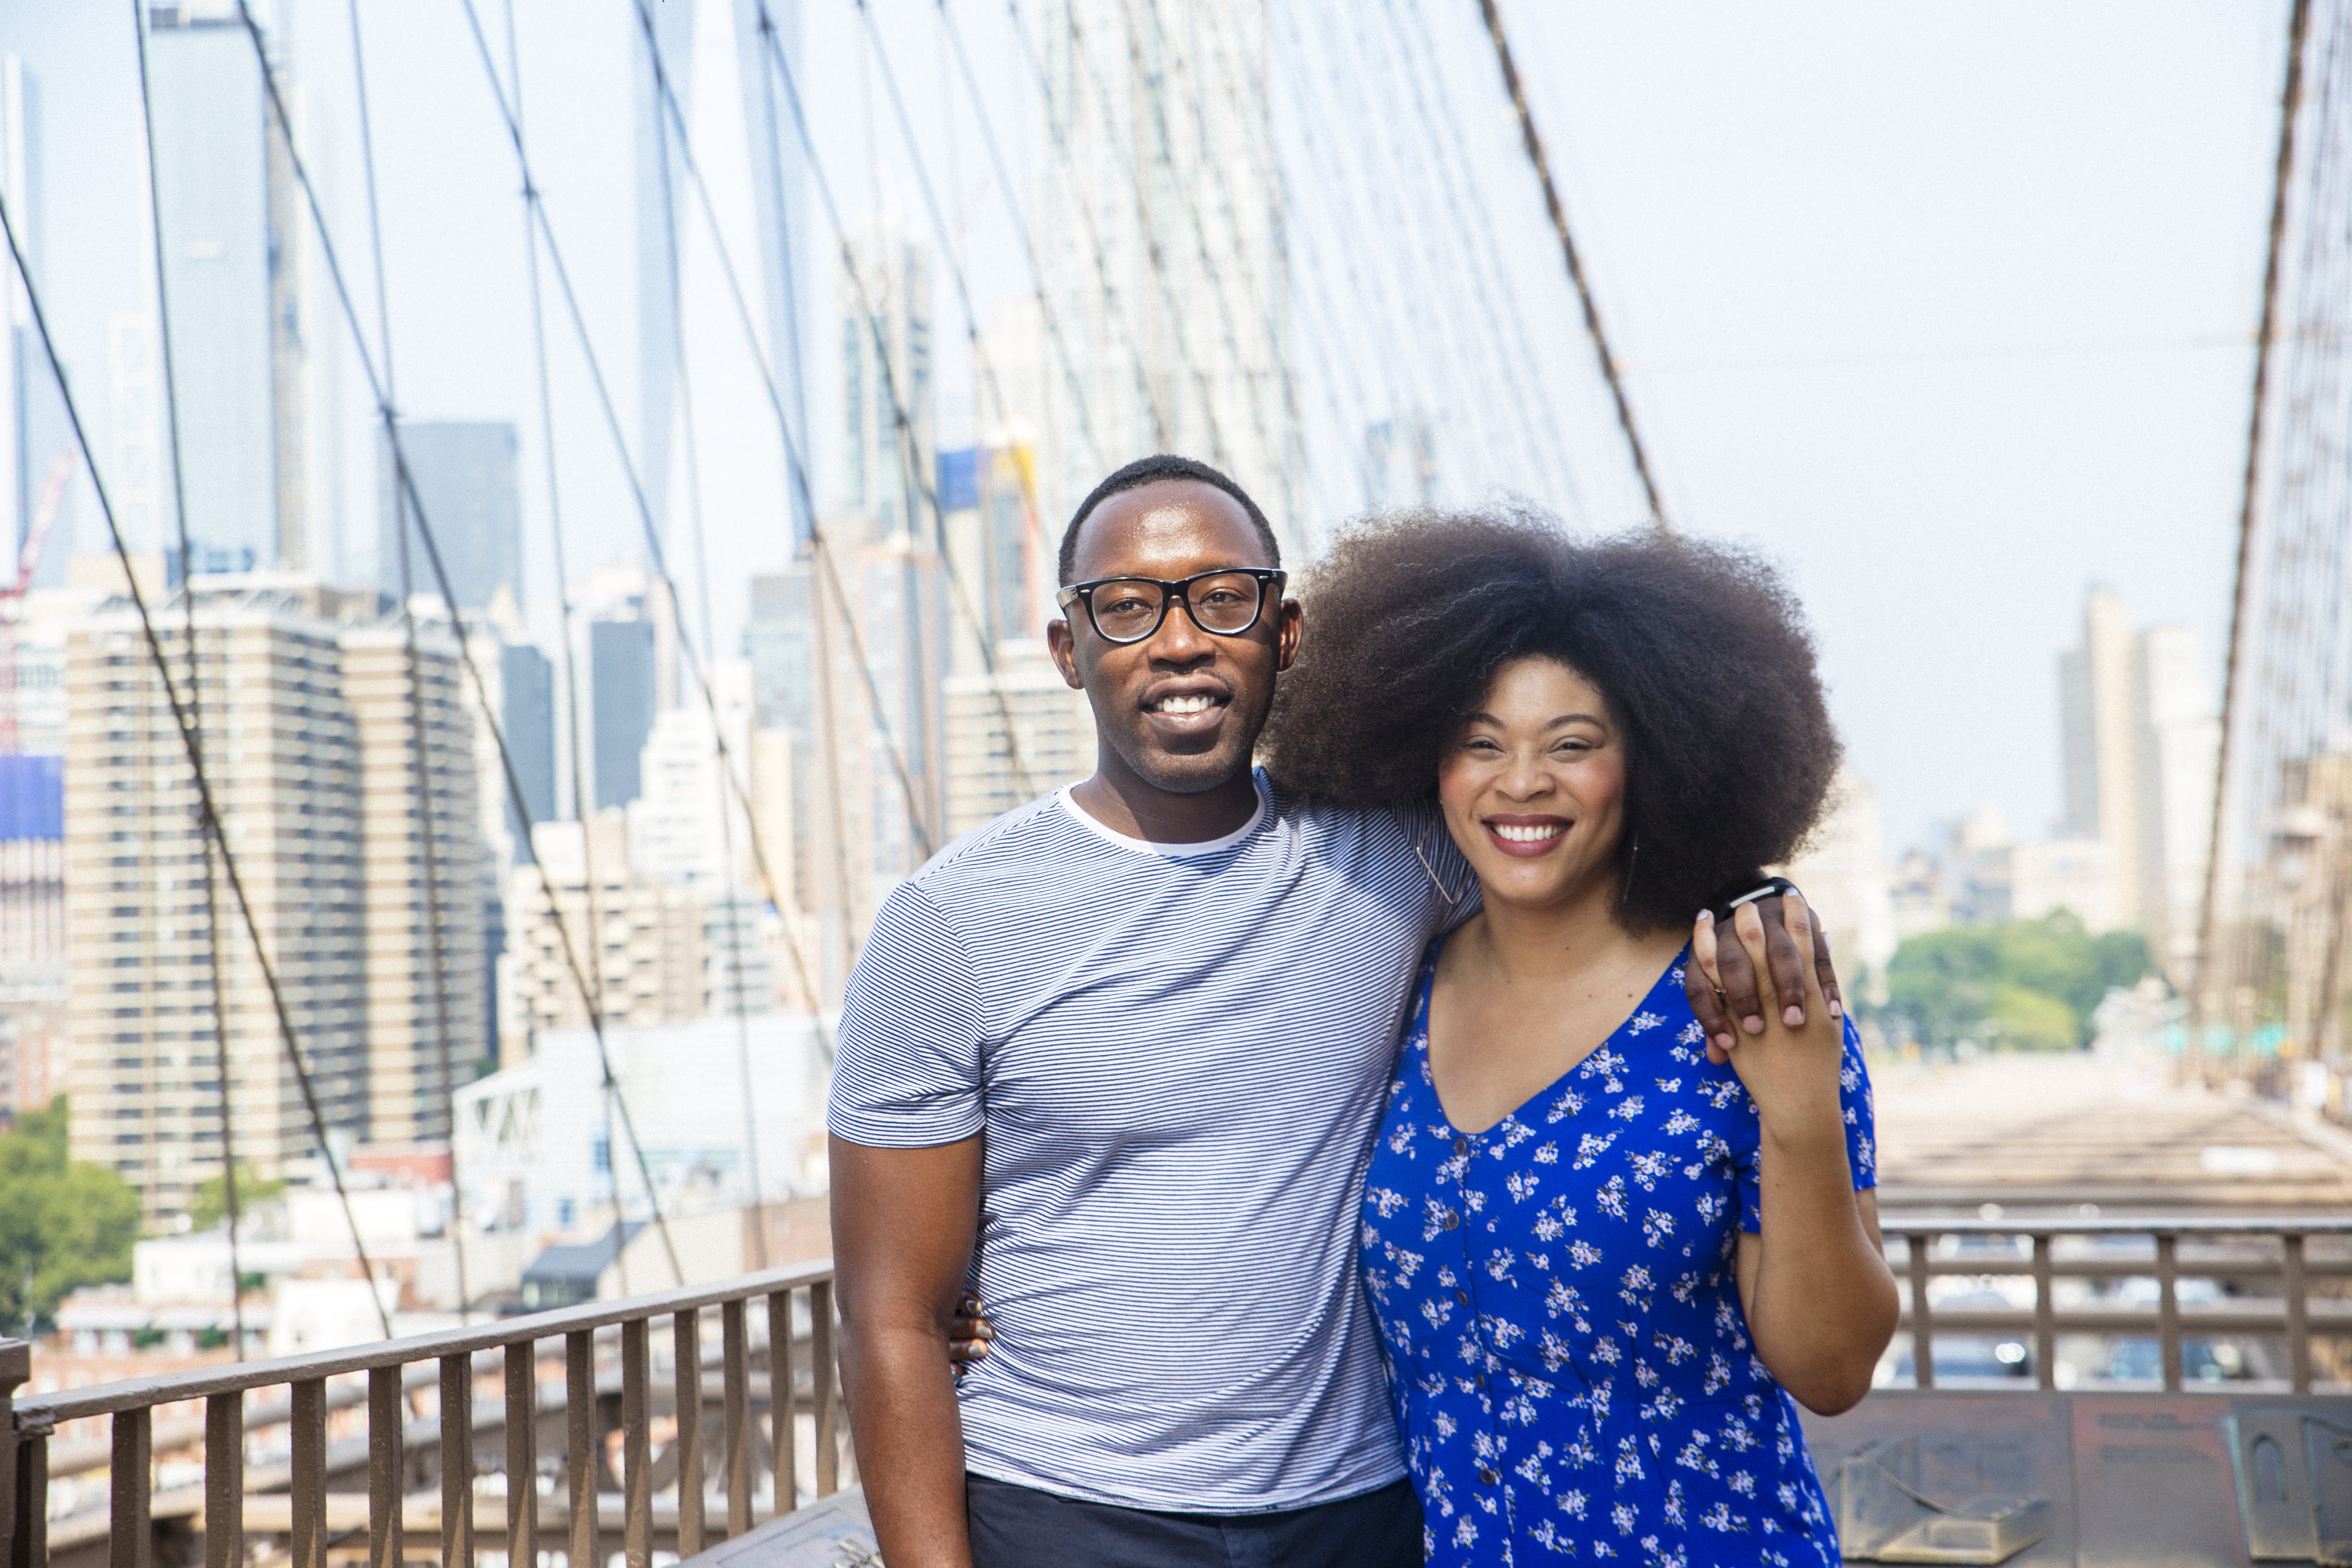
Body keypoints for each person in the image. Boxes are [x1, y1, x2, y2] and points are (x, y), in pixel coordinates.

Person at [828, 457, 1841, 1568]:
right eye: (1124, 607)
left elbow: (1581, 847)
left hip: (1364, 1513)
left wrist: (1752, 905)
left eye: (1223, 597)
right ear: (1069, 650)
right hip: (1069, 1509)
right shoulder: (948, 923)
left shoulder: (1396, 851)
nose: (1177, 640)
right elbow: (892, 1319)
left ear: (1288, 631)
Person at [1259, 508, 1898, 1564]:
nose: (1521, 783)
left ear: (1652, 760)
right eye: (1480, 743)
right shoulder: (1390, 996)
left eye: (1571, 745)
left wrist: (1797, 1117)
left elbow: (1831, 1373)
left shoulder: (1738, 999)